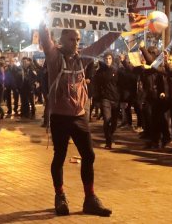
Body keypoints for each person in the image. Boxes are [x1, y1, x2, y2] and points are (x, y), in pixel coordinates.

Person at [40, 24, 119, 217]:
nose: (75, 43)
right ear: (61, 40)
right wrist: (43, 24)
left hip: (79, 116)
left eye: (77, 39)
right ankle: (60, 196)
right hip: (59, 116)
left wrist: (120, 28)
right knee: (60, 156)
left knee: (89, 155)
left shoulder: (81, 58)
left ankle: (90, 199)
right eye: (71, 39)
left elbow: (101, 45)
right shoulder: (54, 57)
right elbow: (45, 39)